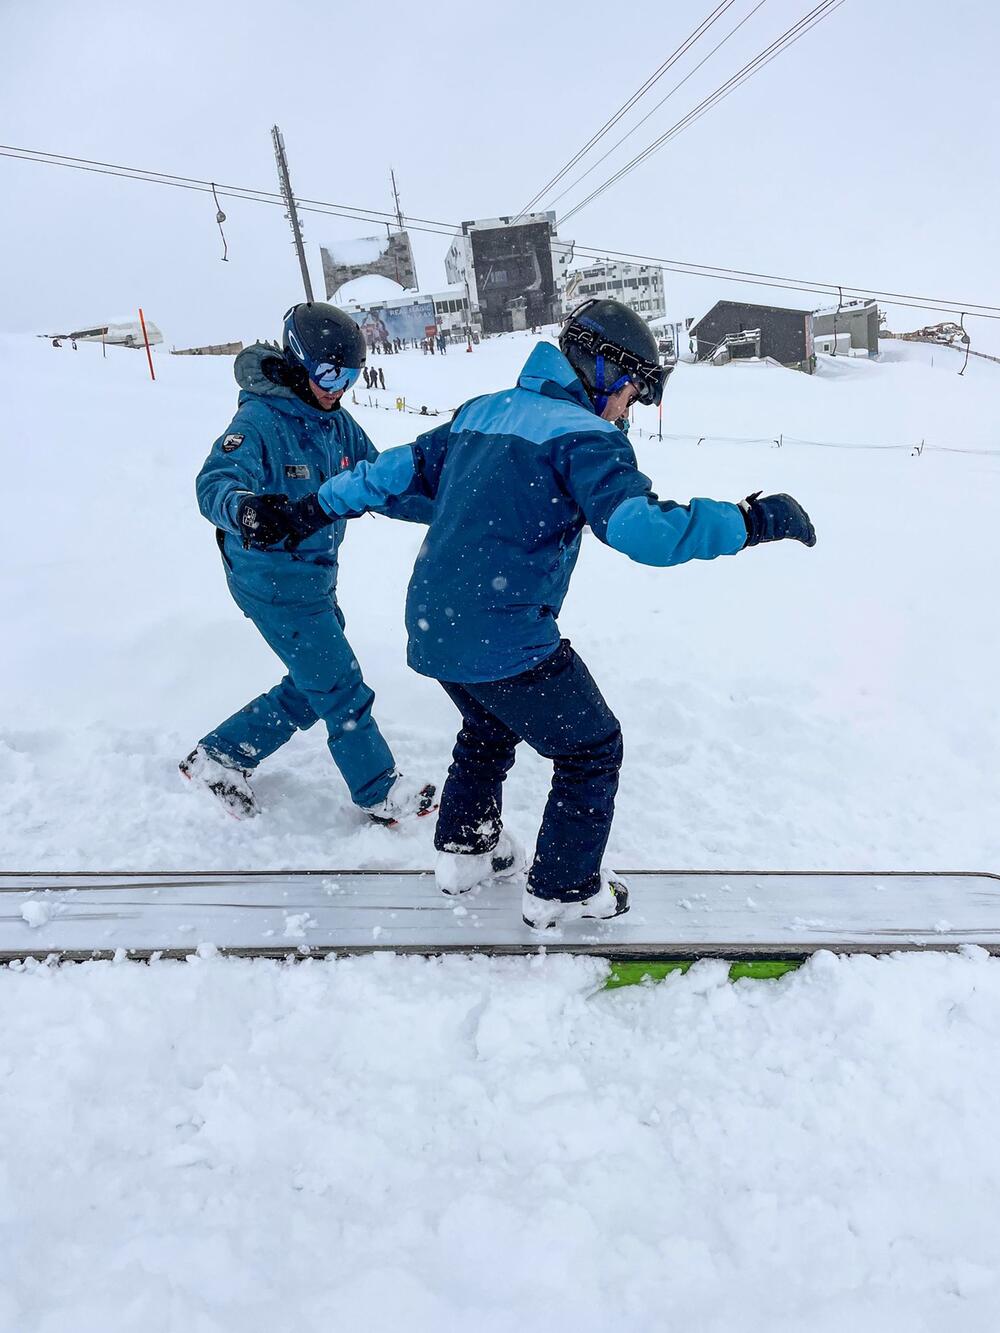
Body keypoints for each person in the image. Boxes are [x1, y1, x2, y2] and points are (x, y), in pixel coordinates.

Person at [286, 299, 817, 927]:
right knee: (592, 748)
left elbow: (389, 474)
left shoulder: (481, 413)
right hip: (502, 631)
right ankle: (565, 889)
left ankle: (467, 849)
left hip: (434, 624)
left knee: (488, 727)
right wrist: (750, 521)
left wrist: (314, 507)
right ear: (601, 369)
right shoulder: (584, 437)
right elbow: (643, 531)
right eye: (632, 393)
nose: (629, 410)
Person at [180, 301, 436, 826]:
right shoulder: (259, 420)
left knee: (311, 681)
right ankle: (378, 791)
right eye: (327, 373)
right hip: (270, 577)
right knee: (341, 687)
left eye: (349, 375)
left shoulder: (336, 425)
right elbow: (214, 483)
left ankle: (222, 755)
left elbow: (381, 486)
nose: (337, 386)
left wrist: (452, 508)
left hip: (314, 577)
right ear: (298, 362)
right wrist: (247, 508)